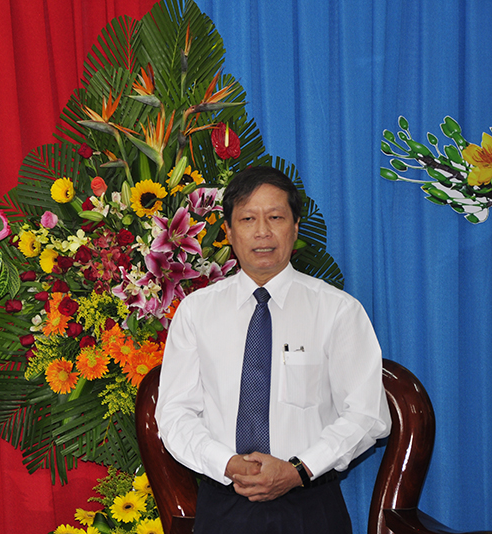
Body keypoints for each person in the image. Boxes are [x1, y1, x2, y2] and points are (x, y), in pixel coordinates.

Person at [154, 166, 391, 533]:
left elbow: (367, 414)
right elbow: (174, 414)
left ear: (295, 227)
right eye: (248, 219)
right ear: (228, 232)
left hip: (310, 503)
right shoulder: (196, 312)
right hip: (224, 502)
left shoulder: (337, 310)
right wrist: (227, 463)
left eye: (276, 217)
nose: (262, 232)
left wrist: (298, 470)